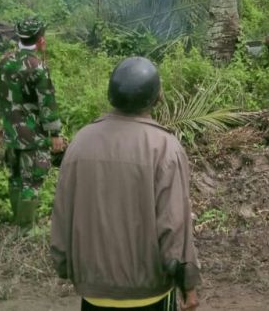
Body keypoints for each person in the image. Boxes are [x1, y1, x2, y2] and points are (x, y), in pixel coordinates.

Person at [51, 57, 201, 311]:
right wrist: (188, 283)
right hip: (148, 293)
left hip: (94, 291)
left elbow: (63, 213)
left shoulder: (81, 142)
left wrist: (64, 264)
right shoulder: (164, 147)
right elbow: (173, 225)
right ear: (156, 97)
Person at [0, 17, 65, 227]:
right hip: (30, 134)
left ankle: (17, 220)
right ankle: (25, 229)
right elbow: (48, 104)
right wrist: (55, 135)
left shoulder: (5, 60)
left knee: (15, 175)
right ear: (41, 39)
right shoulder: (37, 67)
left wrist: (3, 124)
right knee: (32, 181)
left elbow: (2, 97)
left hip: (10, 129)